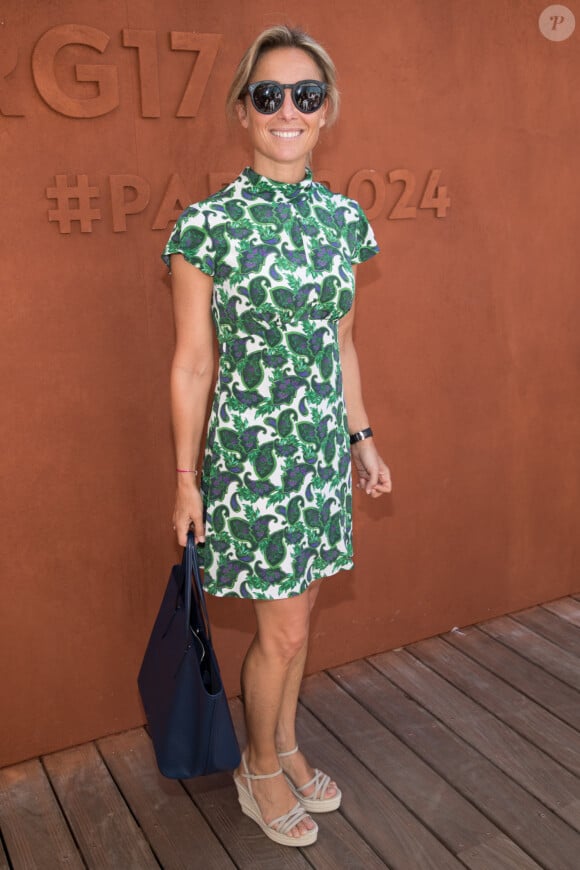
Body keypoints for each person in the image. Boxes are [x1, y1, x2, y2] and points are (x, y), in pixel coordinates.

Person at [162, 24, 392, 848]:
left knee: (300, 620)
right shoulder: (207, 226)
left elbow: (342, 342)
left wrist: (361, 436)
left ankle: (284, 743)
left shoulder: (343, 220)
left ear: (327, 111)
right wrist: (187, 479)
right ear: (242, 110)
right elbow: (192, 365)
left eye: (306, 95)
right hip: (252, 460)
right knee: (282, 630)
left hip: (321, 455)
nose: (287, 110)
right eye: (269, 95)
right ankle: (257, 771)